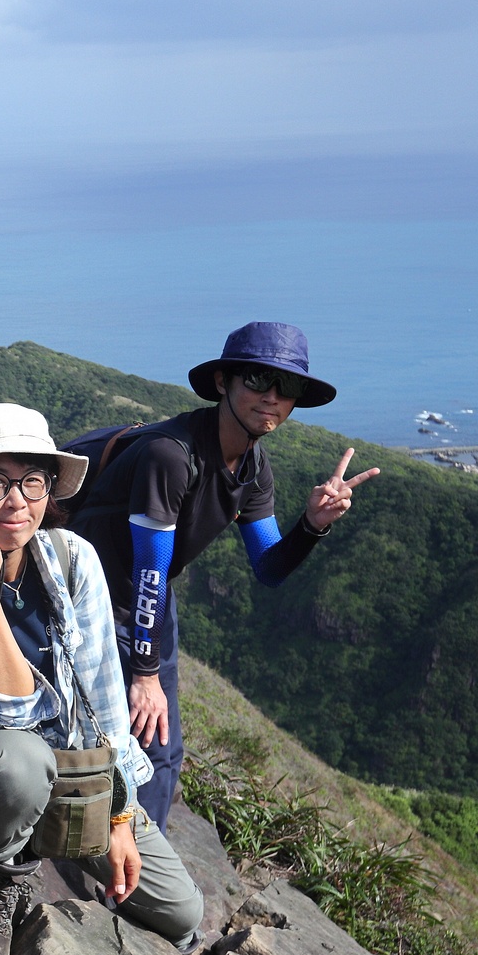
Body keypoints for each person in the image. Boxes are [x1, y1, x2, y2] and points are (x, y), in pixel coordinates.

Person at [0, 402, 203, 955]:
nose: (18, 502)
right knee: (18, 759)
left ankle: (39, 837)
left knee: (182, 912)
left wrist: (117, 816)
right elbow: (9, 713)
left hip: (69, 771)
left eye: (33, 481)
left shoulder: (71, 558)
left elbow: (105, 699)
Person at [70, 322, 378, 831]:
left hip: (149, 604)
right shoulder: (171, 455)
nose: (272, 397)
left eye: (287, 386)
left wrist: (311, 525)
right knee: (138, 745)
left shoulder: (254, 468)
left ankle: (140, 861)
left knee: (164, 753)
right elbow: (150, 567)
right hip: (97, 599)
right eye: (257, 379)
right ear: (222, 382)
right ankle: (112, 856)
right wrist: (145, 675)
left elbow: (269, 568)